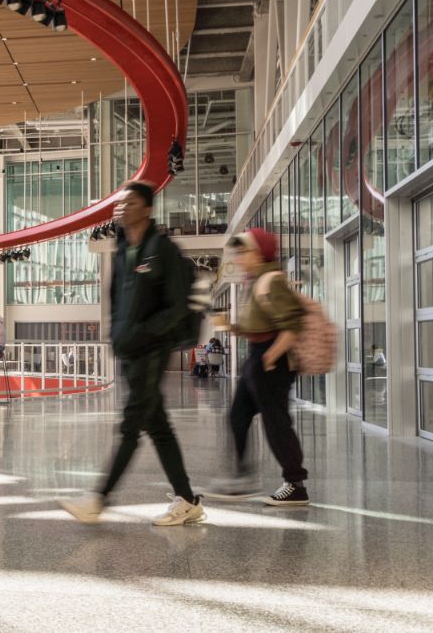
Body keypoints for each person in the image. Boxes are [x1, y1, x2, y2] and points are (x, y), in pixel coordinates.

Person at [59, 182, 204, 526]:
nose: (120, 208)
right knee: (159, 428)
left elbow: (177, 306)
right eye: (119, 203)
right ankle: (188, 499)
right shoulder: (122, 249)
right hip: (129, 352)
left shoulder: (162, 249)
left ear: (147, 209)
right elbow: (115, 301)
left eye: (129, 202)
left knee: (130, 426)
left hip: (152, 351)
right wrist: (118, 336)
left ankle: (99, 499)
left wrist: (145, 333)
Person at [208, 228, 309, 505]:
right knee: (238, 416)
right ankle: (242, 478)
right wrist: (231, 326)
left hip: (271, 360)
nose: (240, 257)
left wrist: (270, 356)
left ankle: (295, 483)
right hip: (257, 357)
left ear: (259, 253)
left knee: (275, 422)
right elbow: (257, 325)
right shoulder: (254, 281)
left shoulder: (272, 280)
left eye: (245, 252)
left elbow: (293, 325)